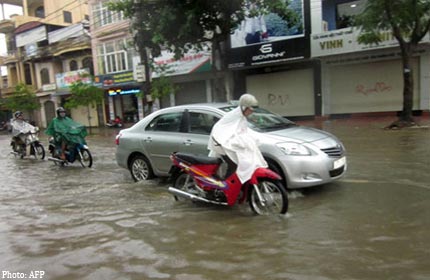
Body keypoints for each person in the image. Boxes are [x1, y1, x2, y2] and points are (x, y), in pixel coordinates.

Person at [208, 93, 267, 183]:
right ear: (244, 107)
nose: (252, 112)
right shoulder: (233, 116)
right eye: (250, 109)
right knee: (234, 165)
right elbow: (220, 131)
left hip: (229, 145)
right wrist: (230, 142)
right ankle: (226, 186)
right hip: (221, 145)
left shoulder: (241, 117)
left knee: (244, 161)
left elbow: (242, 131)